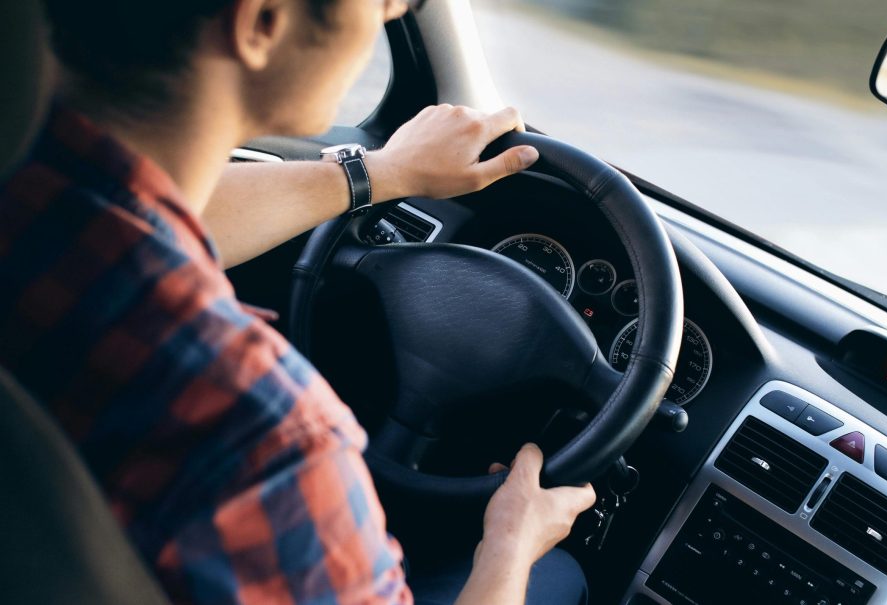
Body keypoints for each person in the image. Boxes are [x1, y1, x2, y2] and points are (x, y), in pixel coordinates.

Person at [0, 0, 598, 603]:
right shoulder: (262, 434)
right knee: (558, 576)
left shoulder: (32, 193)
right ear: (262, 22)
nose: (392, 11)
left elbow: (155, 214)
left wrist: (385, 172)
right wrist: (510, 543)